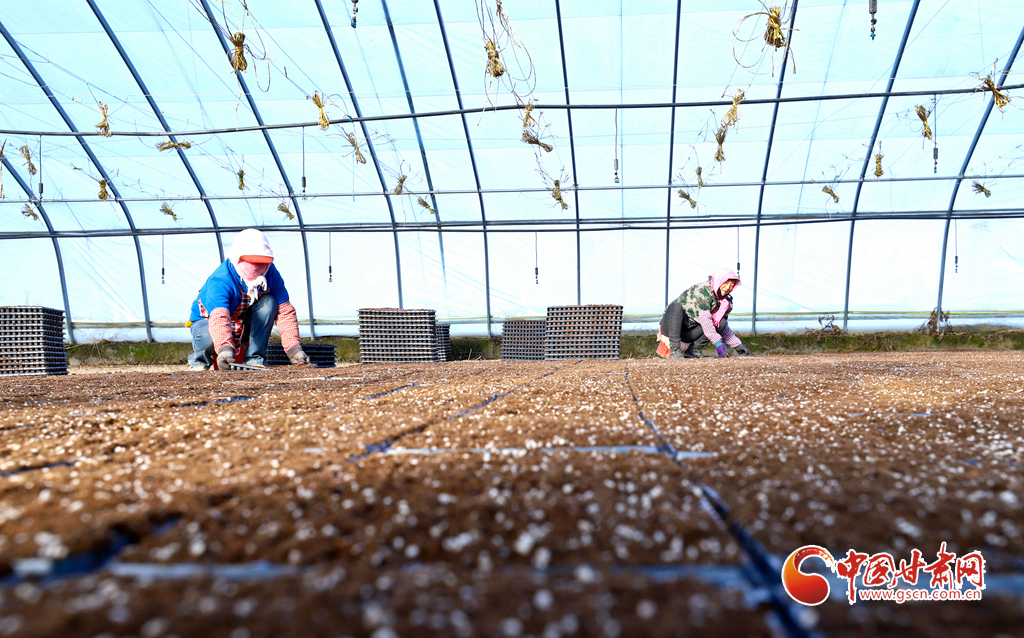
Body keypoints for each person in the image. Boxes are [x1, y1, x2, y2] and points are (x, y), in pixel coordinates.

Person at [187, 229, 309, 370]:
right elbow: (219, 318)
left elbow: (285, 313)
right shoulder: (220, 280)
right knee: (206, 333)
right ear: (237, 258)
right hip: (209, 321)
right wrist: (224, 349)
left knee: (269, 302)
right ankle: (199, 363)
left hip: (243, 321)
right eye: (250, 262)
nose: (255, 267)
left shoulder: (271, 274)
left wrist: (294, 348)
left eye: (261, 262)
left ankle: (254, 359)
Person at [657, 267, 751, 359]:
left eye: (731, 285)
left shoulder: (724, 301)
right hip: (671, 327)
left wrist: (737, 345)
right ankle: (675, 350)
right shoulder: (702, 291)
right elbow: (706, 322)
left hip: (689, 332)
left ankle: (693, 350)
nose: (727, 288)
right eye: (726, 283)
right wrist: (717, 343)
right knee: (675, 307)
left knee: (721, 322)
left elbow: (720, 325)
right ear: (719, 280)